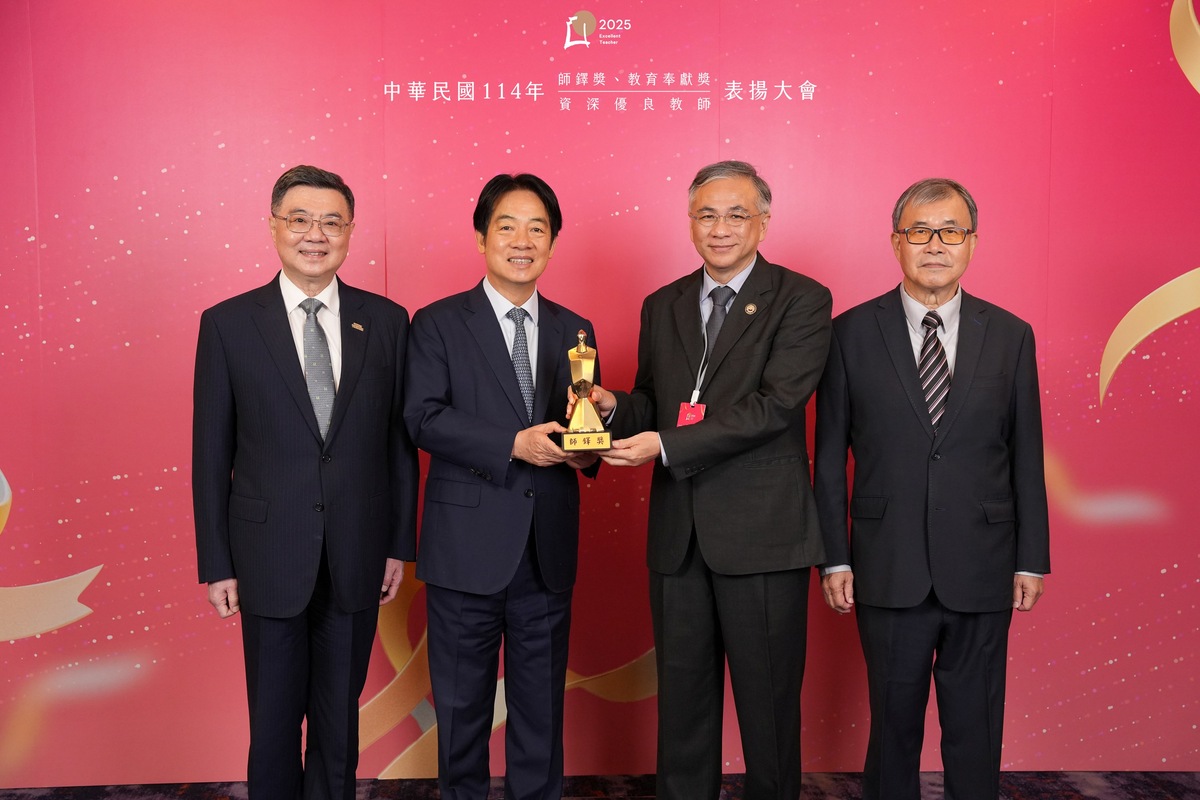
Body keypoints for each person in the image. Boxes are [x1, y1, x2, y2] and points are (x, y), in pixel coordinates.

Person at [580, 160, 832, 799]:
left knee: (768, 709)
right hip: (679, 536)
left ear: (763, 222)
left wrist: (664, 441)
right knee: (683, 708)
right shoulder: (661, 303)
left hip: (763, 536)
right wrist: (613, 407)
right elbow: (652, 399)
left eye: (736, 214)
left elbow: (775, 407)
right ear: (690, 221)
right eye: (706, 214)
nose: (720, 229)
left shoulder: (802, 299)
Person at [814, 178, 1051, 800]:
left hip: (985, 560)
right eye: (920, 231)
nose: (935, 244)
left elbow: (1027, 452)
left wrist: (1032, 559)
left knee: (975, 723)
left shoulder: (1010, 334)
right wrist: (833, 555)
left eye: (951, 231)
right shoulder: (849, 333)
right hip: (886, 562)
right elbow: (829, 455)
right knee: (892, 725)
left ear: (973, 243)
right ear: (896, 242)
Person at [192, 164, 419, 799]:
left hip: (357, 549)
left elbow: (398, 446)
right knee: (271, 721)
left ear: (350, 233)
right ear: (273, 227)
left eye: (331, 222)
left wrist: (400, 544)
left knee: (337, 721)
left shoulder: (387, 321)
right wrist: (217, 563)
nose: (315, 234)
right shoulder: (229, 324)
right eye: (300, 219)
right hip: (265, 554)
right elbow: (209, 453)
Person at [403, 173, 600, 800]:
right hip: (465, 549)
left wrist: (585, 449)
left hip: (546, 547)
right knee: (460, 711)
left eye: (537, 228)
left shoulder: (576, 327)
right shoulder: (436, 323)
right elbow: (423, 417)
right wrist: (513, 444)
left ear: (553, 242)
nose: (522, 241)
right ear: (481, 238)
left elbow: (581, 421)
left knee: (541, 710)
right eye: (507, 227)